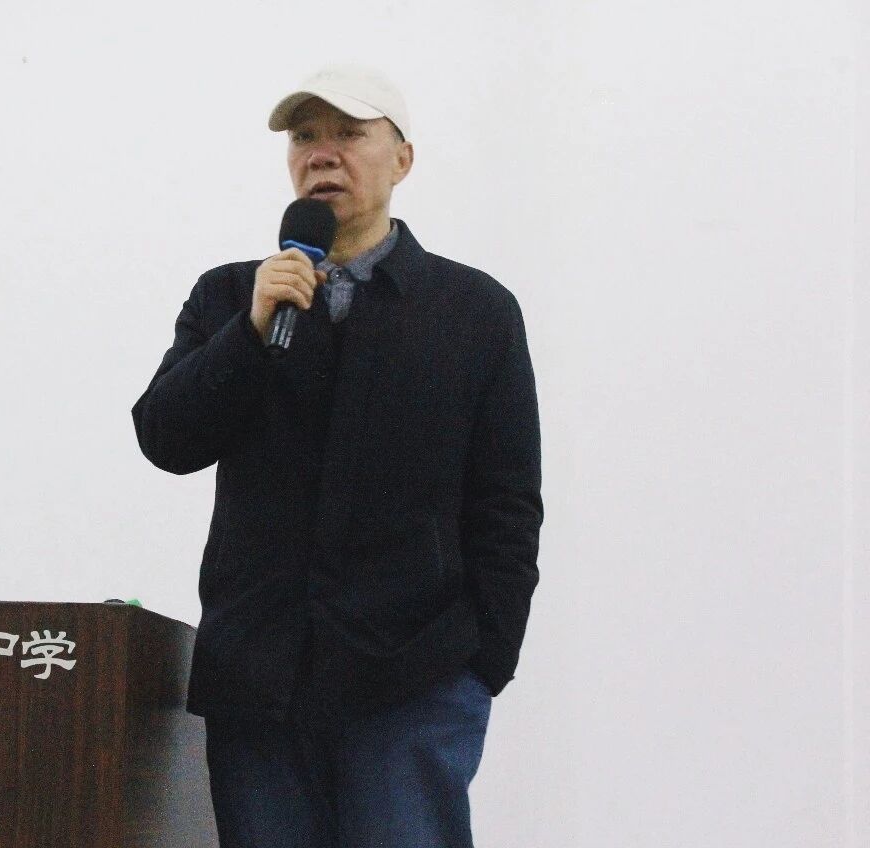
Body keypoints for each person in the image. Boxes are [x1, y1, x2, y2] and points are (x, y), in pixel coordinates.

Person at [131, 65, 543, 848]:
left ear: (403, 160)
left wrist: (482, 661)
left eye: (349, 134)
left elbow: (507, 504)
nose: (322, 153)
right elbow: (166, 438)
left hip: (412, 683)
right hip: (257, 685)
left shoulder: (474, 312)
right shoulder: (231, 297)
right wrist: (251, 332)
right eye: (305, 137)